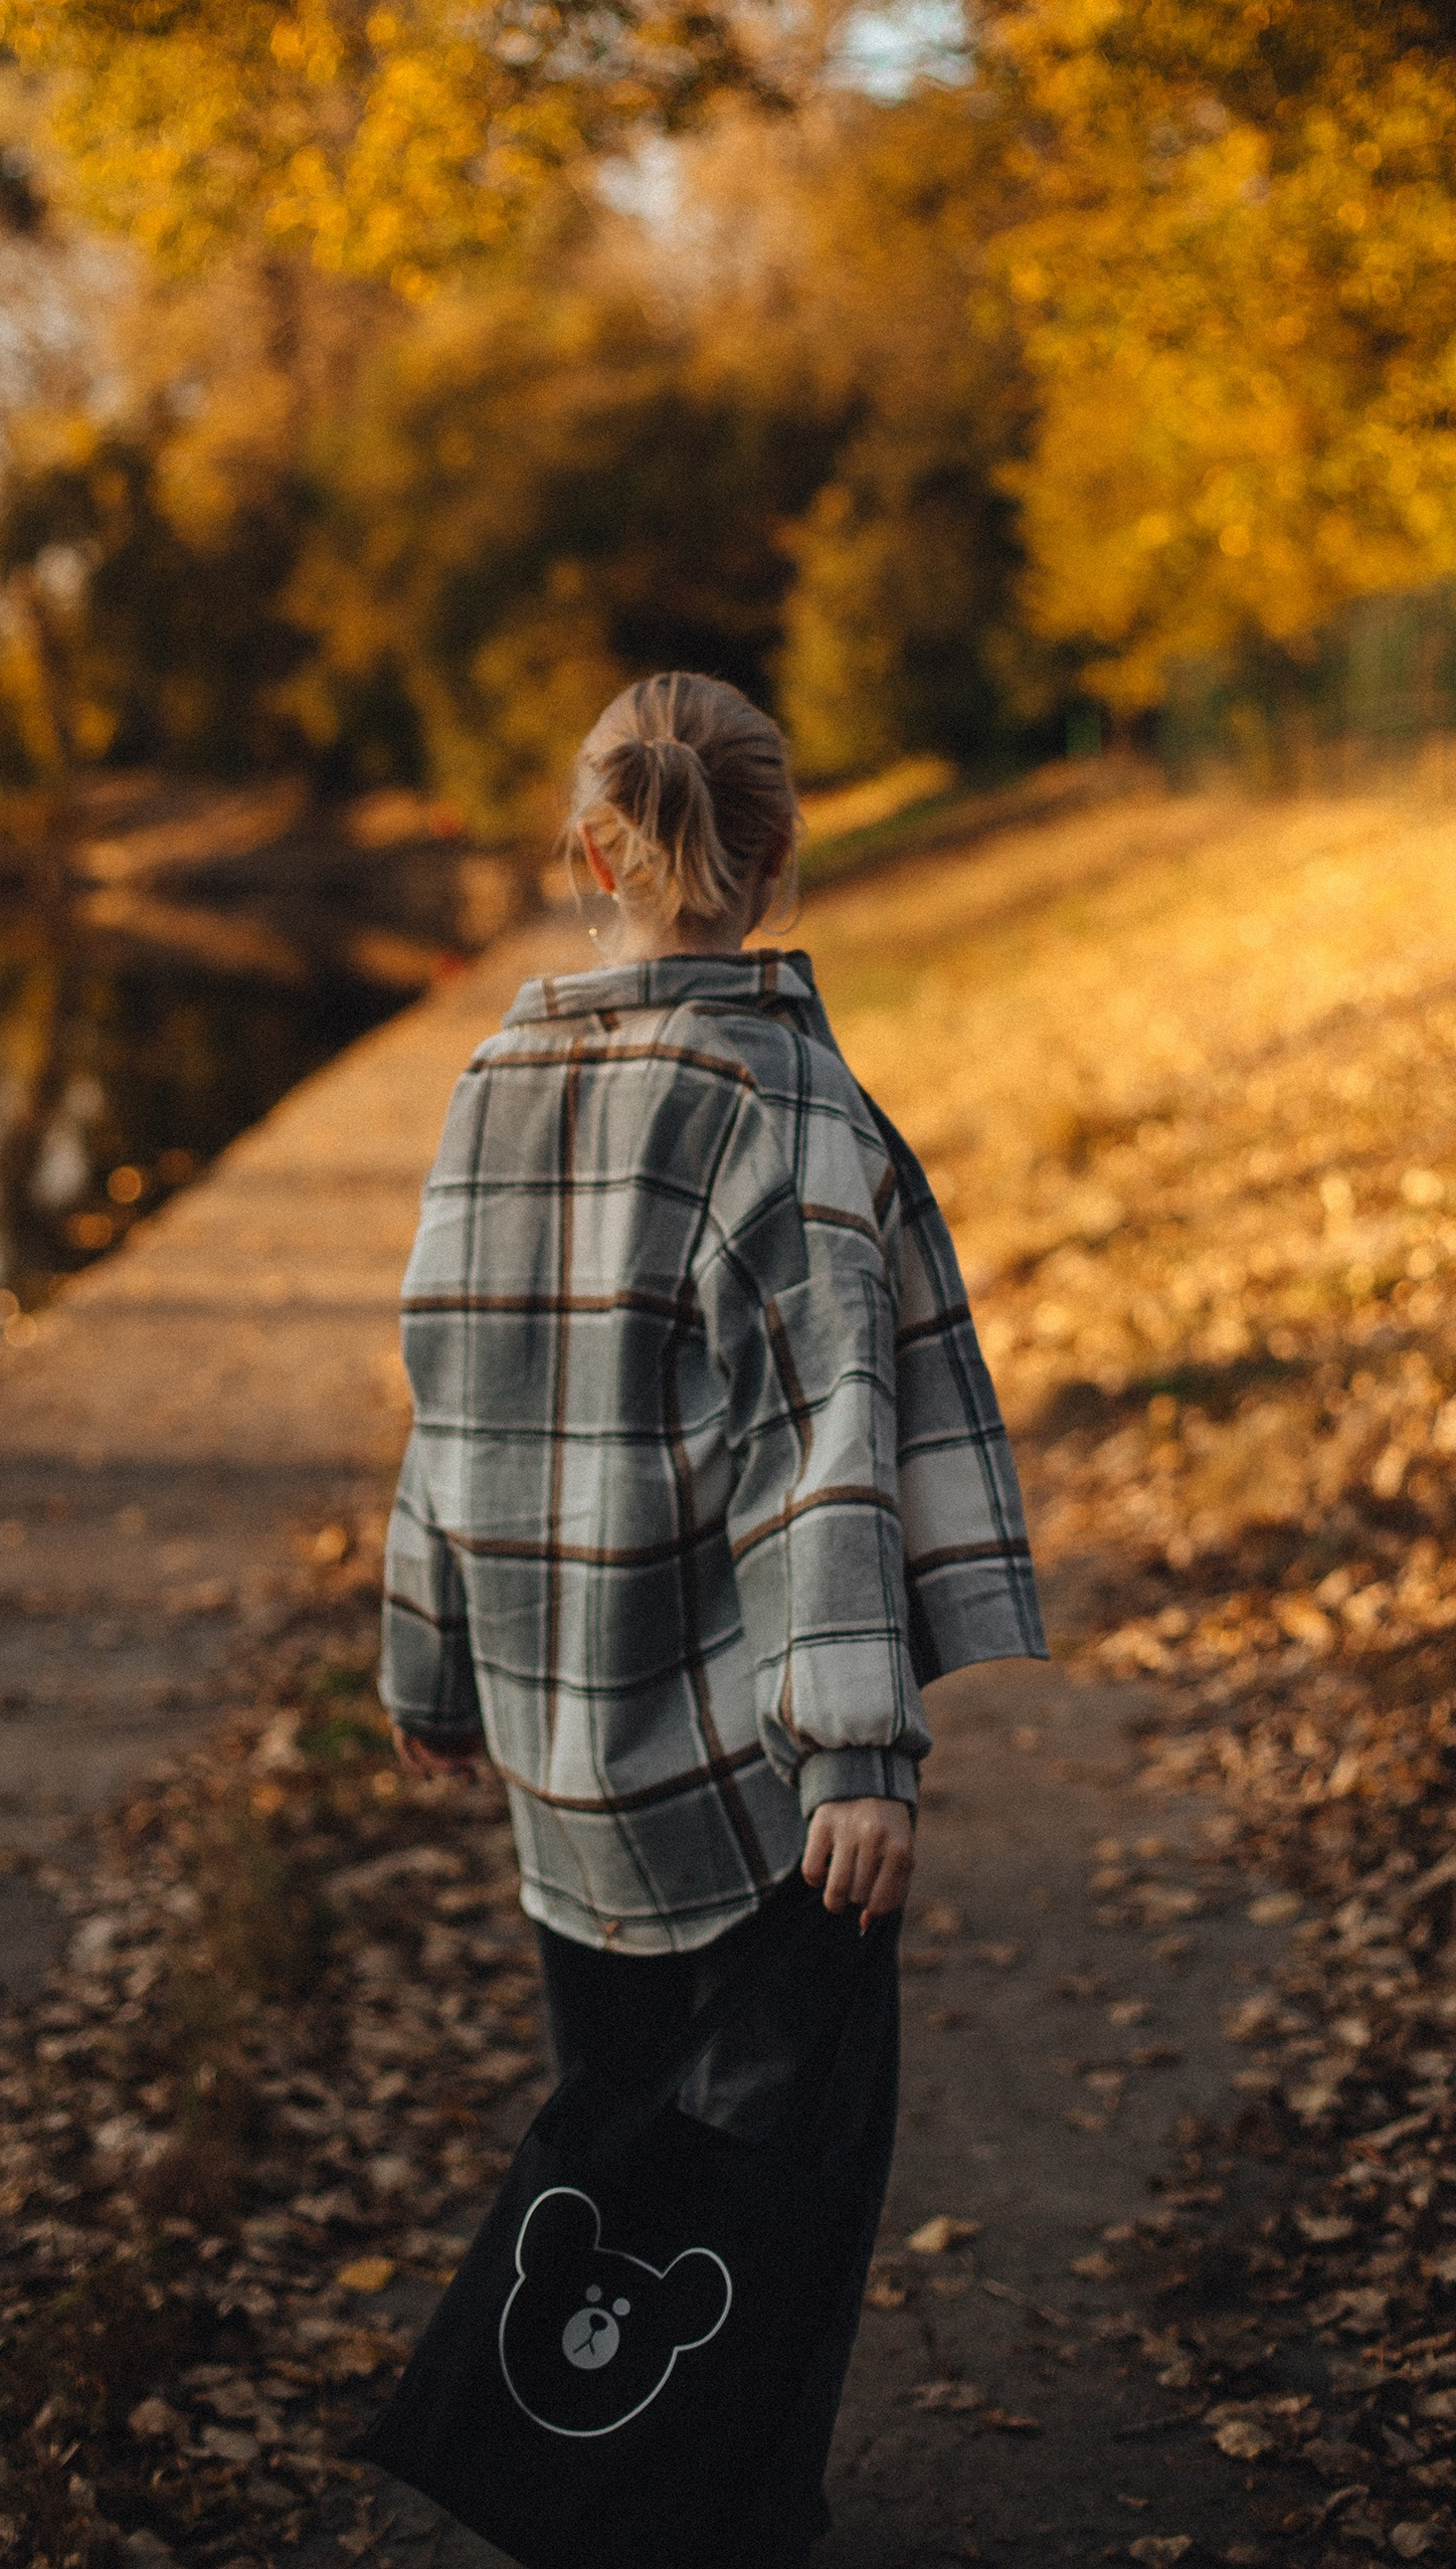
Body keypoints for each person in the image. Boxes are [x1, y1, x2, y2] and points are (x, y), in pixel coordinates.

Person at [378, 669, 1045, 2559]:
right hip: (754, 1799)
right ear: (779, 853)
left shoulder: (491, 1084)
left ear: (592, 856)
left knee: (616, 2173)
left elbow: (449, 1395)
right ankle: (719, 2519)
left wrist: (428, 1654)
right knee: (776, 2196)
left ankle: (612, 2499)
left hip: (566, 1773)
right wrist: (859, 1752)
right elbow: (821, 1440)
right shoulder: (782, 1099)